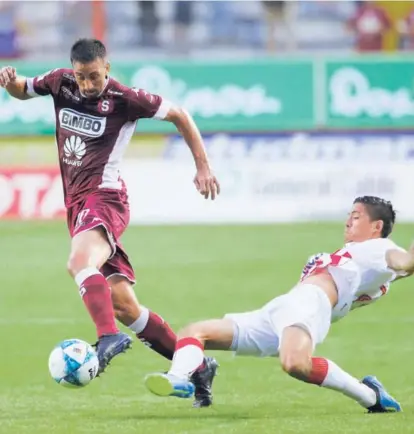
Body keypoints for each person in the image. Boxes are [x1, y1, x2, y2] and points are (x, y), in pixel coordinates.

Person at [0, 38, 220, 407]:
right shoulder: (59, 82)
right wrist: (10, 83)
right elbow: (25, 88)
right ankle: (198, 368)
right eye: (82, 77)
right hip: (77, 203)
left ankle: (107, 337)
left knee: (78, 264)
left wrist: (202, 166)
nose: (88, 85)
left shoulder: (126, 98)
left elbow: (180, 114)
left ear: (108, 68)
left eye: (95, 77)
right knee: (125, 307)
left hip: (104, 198)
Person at [145, 196, 410, 413]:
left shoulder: (378, 248)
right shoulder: (366, 259)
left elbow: (404, 262)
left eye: (355, 217)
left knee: (295, 363)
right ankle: (178, 378)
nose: (347, 222)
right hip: (282, 308)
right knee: (193, 332)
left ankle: (370, 396)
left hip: (309, 305)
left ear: (376, 227)